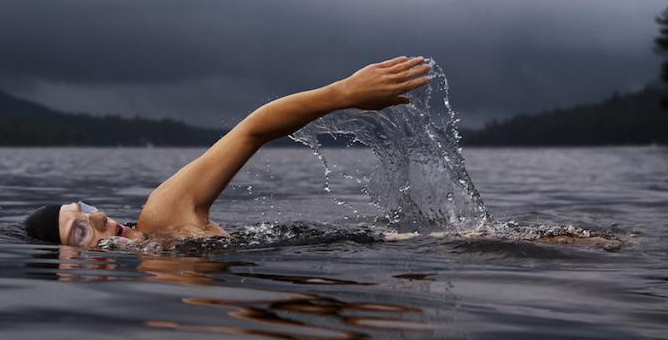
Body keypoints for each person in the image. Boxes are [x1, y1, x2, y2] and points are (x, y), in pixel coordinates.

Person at [23, 56, 432, 247]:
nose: (98, 217)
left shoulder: (162, 217)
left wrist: (342, 94)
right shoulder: (158, 274)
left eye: (86, 208)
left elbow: (251, 131)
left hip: (407, 247)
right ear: (69, 268)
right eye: (79, 230)